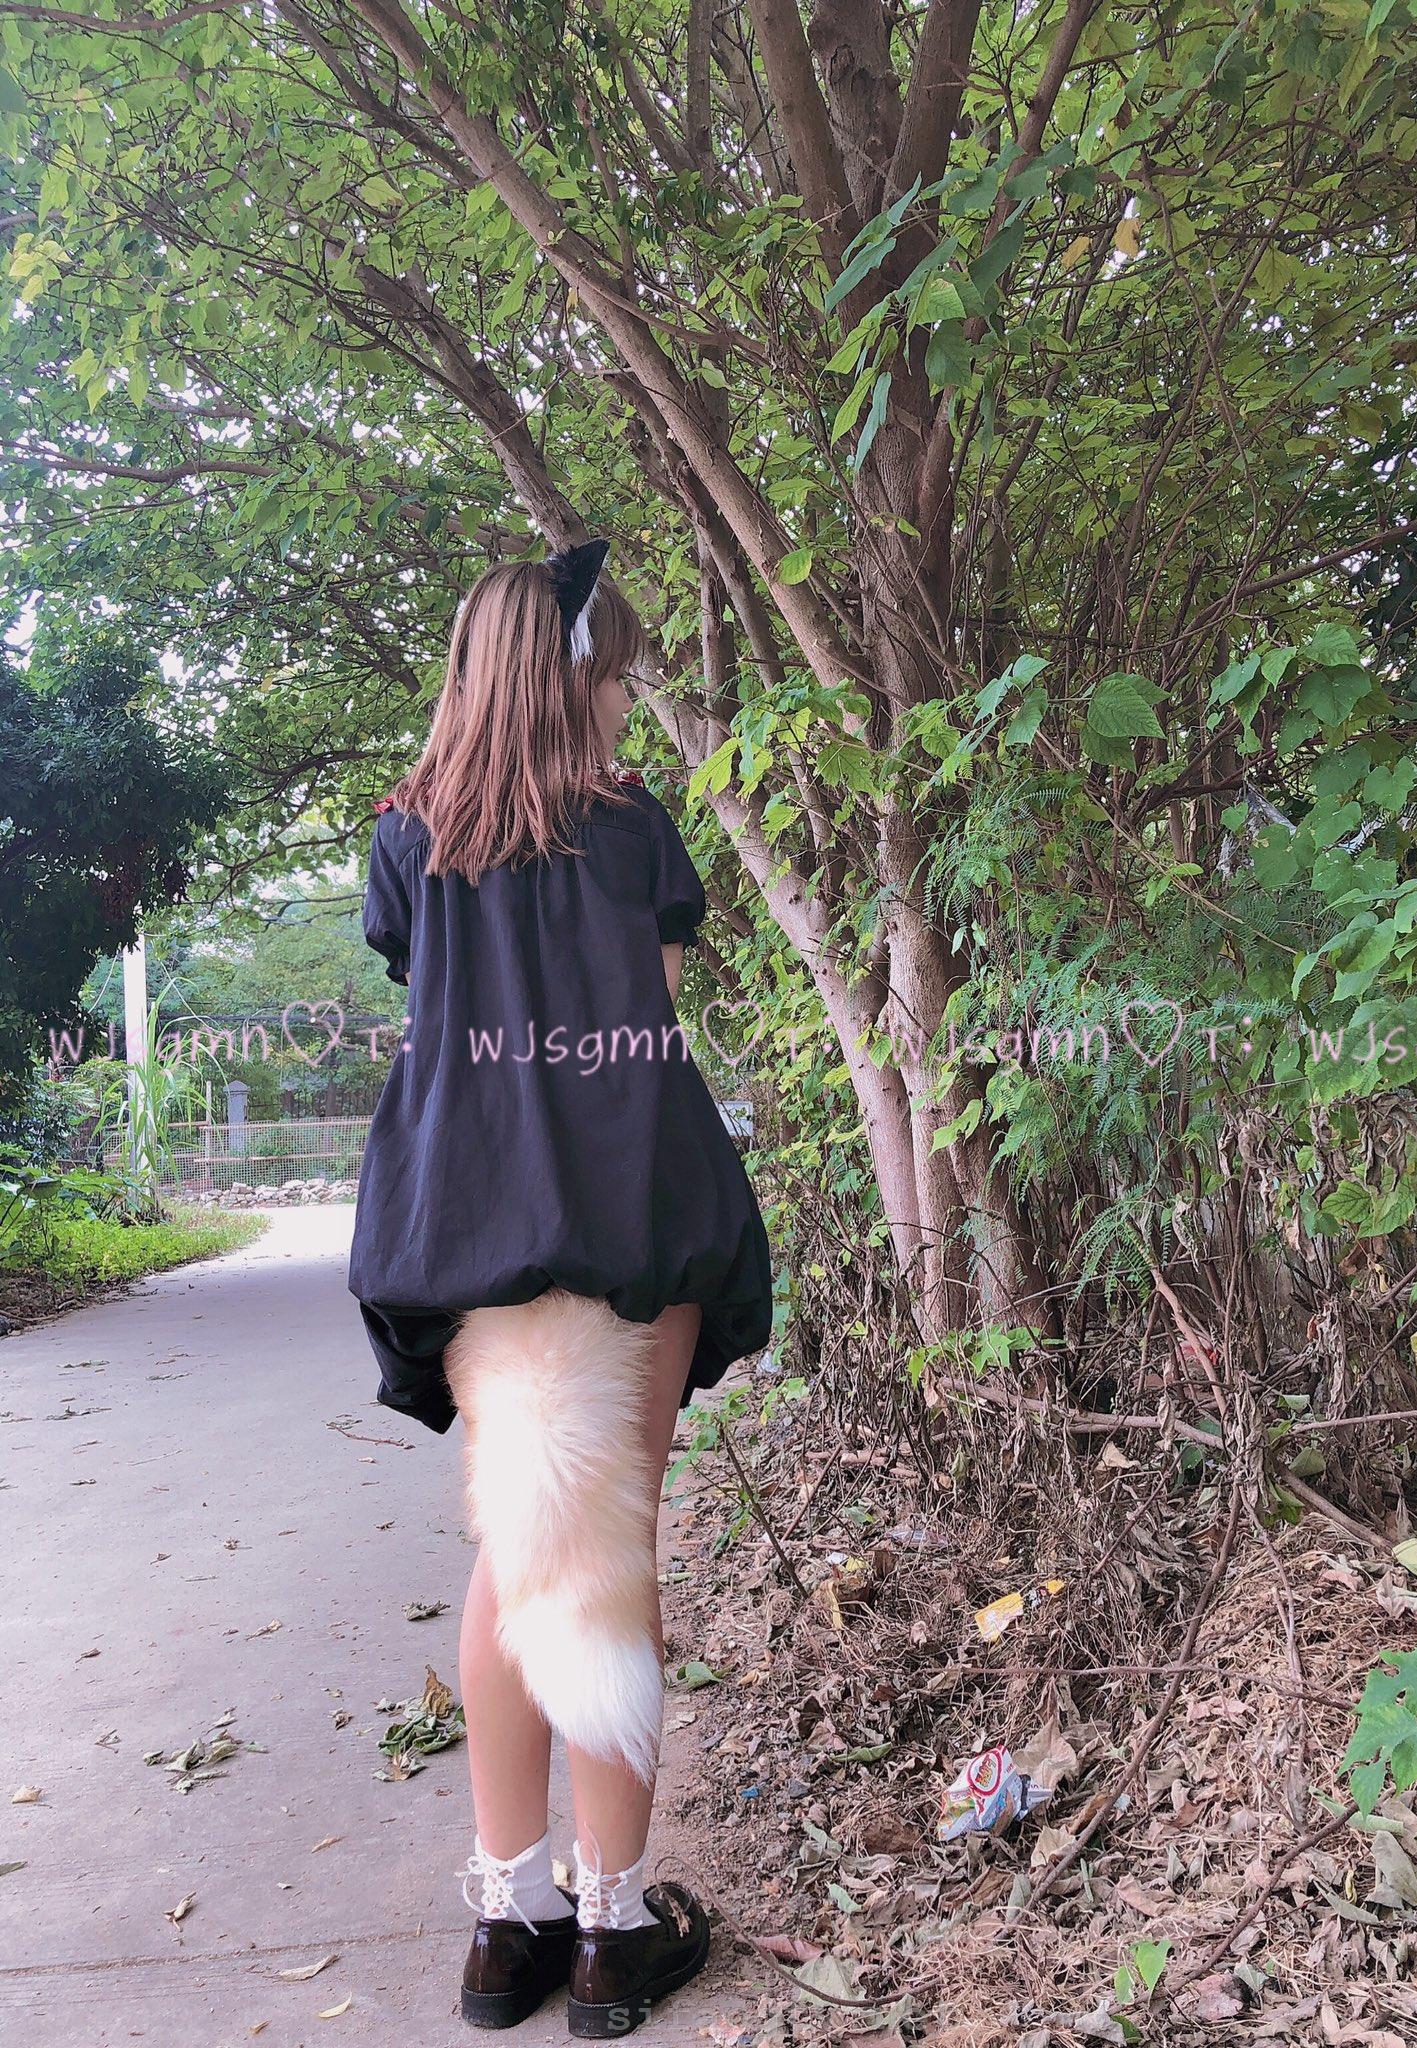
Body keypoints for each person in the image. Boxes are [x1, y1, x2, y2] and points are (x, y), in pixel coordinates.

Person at [347, 541, 775, 2035]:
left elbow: (446, 1012)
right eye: (619, 675)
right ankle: (610, 1929)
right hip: (628, 1211)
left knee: (517, 1553)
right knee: (604, 1551)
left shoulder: (406, 840)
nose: (626, 700)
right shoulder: (633, 829)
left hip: (471, 1217)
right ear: (575, 674)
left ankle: (504, 1919)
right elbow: (639, 1033)